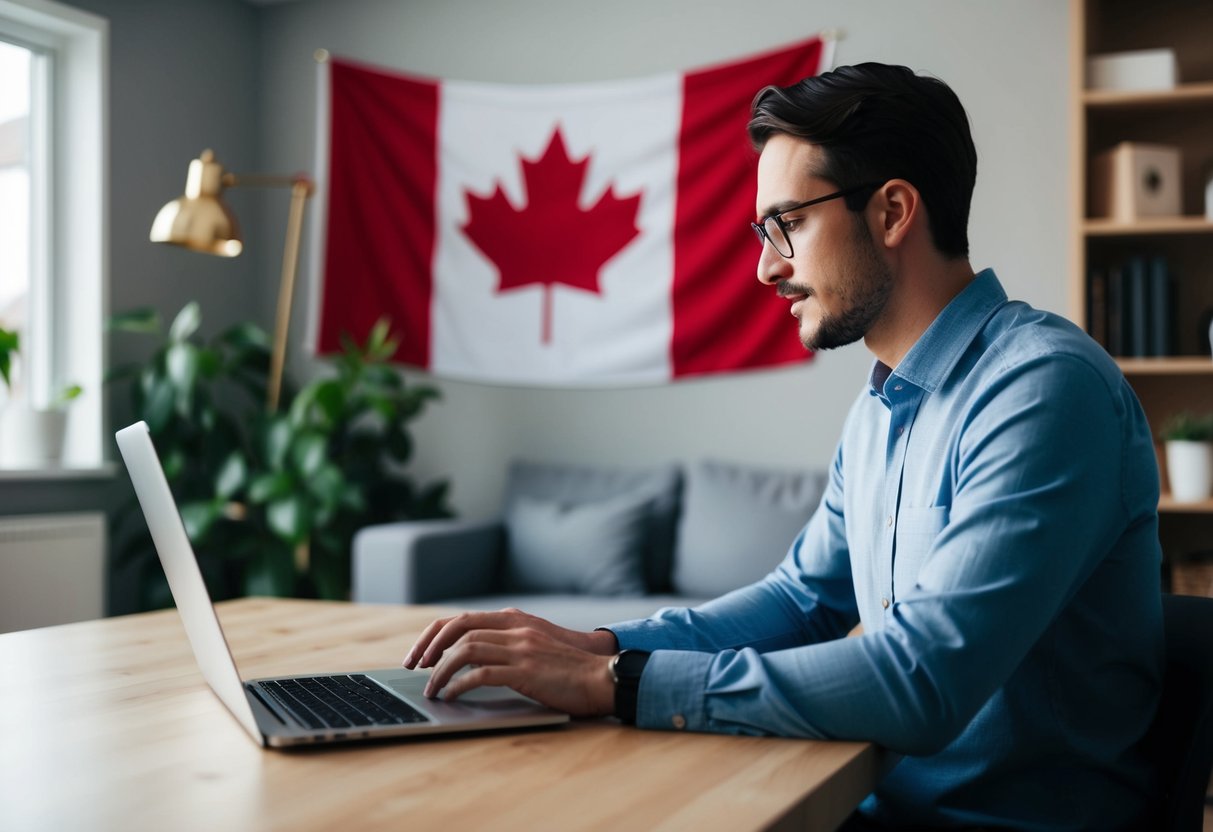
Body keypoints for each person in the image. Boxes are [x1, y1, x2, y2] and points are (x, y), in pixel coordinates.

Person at [403, 63, 1163, 830]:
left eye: (787, 224)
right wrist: (589, 643)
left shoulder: (1043, 391)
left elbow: (921, 682)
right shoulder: (877, 411)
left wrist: (614, 680)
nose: (767, 266)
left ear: (892, 210)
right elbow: (800, 602)